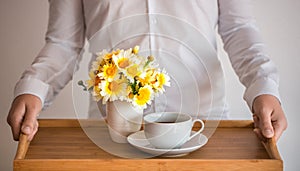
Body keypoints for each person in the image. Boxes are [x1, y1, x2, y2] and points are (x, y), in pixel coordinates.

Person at [7, 0, 287, 142]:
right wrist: (34, 87)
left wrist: (263, 87)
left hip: (202, 126)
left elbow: (238, 29)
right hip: (113, 131)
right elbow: (64, 43)